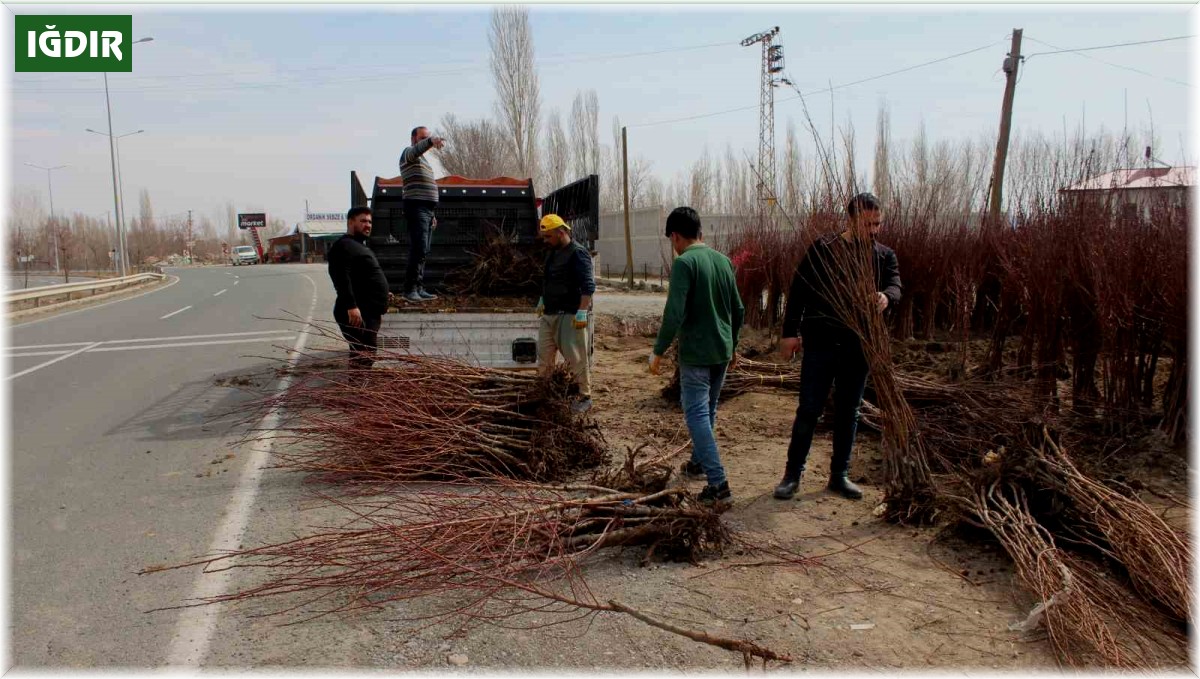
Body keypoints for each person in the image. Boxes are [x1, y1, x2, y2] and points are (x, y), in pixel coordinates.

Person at [773, 192, 901, 501]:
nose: (874, 230)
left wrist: (886, 296)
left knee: (849, 411)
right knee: (809, 409)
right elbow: (799, 291)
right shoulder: (823, 249)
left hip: (859, 346)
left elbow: (896, 285)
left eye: (878, 224)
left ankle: (839, 475)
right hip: (821, 343)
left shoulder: (884, 256)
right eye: (868, 224)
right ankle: (792, 475)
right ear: (851, 220)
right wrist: (789, 333)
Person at [649, 207, 744, 505]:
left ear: (675, 236)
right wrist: (733, 346)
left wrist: (658, 350)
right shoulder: (723, 261)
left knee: (697, 415)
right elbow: (738, 309)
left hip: (697, 353)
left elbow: (674, 312)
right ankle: (698, 462)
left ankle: (718, 484)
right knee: (709, 410)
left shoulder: (684, 263)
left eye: (672, 240)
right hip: (722, 351)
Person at [536, 213, 596, 414]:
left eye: (548, 236)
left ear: (561, 232)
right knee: (544, 358)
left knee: (576, 358)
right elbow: (549, 279)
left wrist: (582, 312)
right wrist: (543, 298)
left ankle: (585, 396)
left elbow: (588, 286)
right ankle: (545, 394)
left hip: (569, 315)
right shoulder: (552, 253)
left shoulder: (578, 253)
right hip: (550, 314)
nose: (545, 241)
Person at [326, 206, 390, 370]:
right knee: (363, 354)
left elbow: (363, 276)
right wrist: (351, 306)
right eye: (363, 221)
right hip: (357, 312)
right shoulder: (343, 246)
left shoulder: (358, 246)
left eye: (370, 222)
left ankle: (360, 384)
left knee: (364, 354)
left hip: (368, 310)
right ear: (350, 222)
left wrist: (382, 292)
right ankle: (358, 385)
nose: (367, 225)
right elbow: (340, 278)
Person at [399, 125, 446, 303]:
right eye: (423, 138)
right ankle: (410, 289)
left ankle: (418, 288)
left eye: (428, 137)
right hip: (416, 206)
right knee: (418, 248)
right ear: (414, 139)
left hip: (426, 209)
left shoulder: (423, 161)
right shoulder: (408, 153)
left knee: (423, 250)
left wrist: (432, 214)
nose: (426, 141)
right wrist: (431, 141)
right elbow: (416, 150)